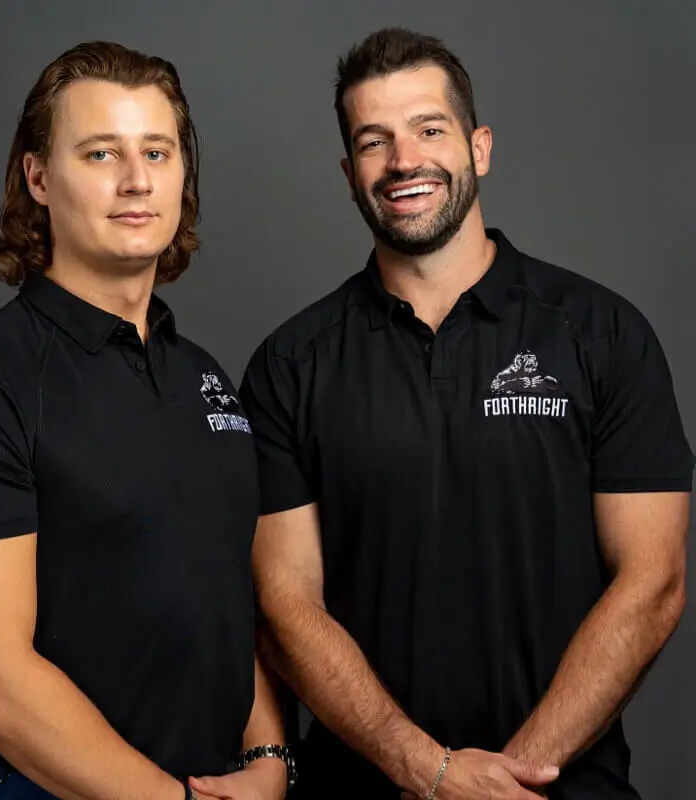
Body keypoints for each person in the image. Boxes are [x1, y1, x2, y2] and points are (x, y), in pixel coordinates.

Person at [240, 27, 692, 800]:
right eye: (374, 141)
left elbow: (652, 583)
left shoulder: (602, 334)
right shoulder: (291, 365)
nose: (403, 160)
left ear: (479, 148)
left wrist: (513, 779)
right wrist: (431, 772)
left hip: (562, 787)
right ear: (350, 174)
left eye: (428, 129)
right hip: (364, 789)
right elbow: (286, 606)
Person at [0, 41, 291, 800]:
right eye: (101, 152)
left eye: (157, 152)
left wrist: (269, 757)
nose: (136, 179)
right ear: (39, 178)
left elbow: (219, 598)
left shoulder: (203, 377)